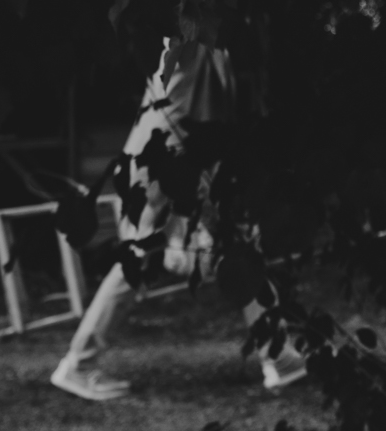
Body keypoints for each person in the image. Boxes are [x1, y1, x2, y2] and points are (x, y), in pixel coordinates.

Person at [50, 40, 306, 401]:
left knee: (228, 250)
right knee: (148, 257)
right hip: (170, 160)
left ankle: (278, 356)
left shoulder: (194, 39)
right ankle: (78, 363)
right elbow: (203, 114)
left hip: (167, 157)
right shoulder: (195, 34)